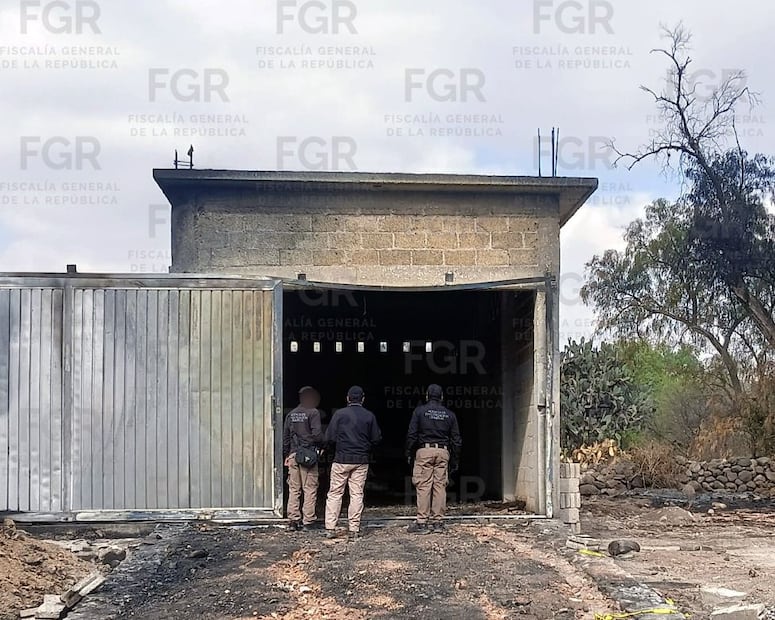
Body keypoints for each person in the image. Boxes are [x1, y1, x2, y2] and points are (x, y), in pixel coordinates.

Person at [324, 386, 382, 540]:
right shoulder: (369, 416)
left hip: (341, 459)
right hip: (361, 460)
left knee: (335, 493)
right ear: (363, 399)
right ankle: (354, 529)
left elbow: (329, 437)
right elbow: (376, 438)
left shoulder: (339, 414)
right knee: (356, 494)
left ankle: (330, 528)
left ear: (348, 398)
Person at [405, 383, 462, 534]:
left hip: (424, 450)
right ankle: (438, 522)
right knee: (439, 486)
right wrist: (455, 460)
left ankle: (422, 522)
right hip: (443, 452)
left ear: (427, 396)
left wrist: (409, 453)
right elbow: (456, 439)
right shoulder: (450, 415)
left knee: (424, 486)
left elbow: (411, 435)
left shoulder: (419, 412)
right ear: (442, 397)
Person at [283, 386, 324, 531]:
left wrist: (286, 455)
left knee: (294, 489)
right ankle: (308, 521)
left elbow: (286, 438)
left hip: (294, 455)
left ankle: (293, 521)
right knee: (310, 488)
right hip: (308, 456)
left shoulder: (291, 414)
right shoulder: (313, 412)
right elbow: (318, 435)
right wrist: (319, 448)